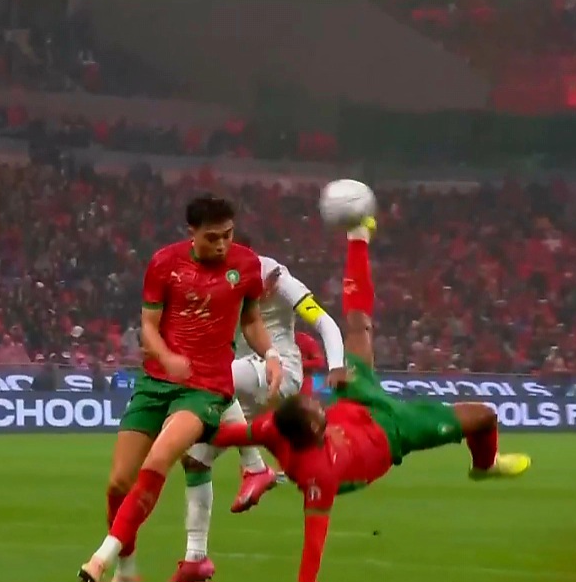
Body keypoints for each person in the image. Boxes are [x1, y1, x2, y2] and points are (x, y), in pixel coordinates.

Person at [211, 217, 531, 582]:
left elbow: (222, 433)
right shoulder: (318, 474)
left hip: (356, 399)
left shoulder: (273, 428)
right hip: (394, 429)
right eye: (315, 408)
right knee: (484, 416)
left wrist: (173, 429)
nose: (317, 402)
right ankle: (485, 467)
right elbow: (313, 548)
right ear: (314, 428)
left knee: (358, 324)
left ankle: (357, 238)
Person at [77, 195, 283, 582]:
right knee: (118, 483)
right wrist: (167, 357)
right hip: (156, 382)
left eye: (227, 235)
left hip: (206, 388)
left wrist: (270, 353)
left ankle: (100, 560)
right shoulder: (164, 263)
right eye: (212, 237)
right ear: (192, 232)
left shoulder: (246, 265)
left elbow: (252, 320)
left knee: (159, 458)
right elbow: (148, 327)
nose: (221, 244)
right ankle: (127, 571)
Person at [171, 249, 347, 582]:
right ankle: (196, 557)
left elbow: (324, 322)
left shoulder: (280, 280)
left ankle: (255, 467)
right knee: (195, 459)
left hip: (280, 373)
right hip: (243, 389)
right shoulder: (221, 286)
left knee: (212, 377)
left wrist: (336, 364)